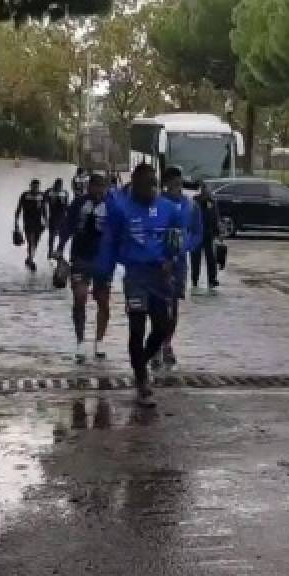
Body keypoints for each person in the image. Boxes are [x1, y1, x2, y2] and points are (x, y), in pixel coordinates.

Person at [95, 163, 196, 407]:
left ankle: (140, 362)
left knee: (162, 328)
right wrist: (102, 276)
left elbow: (178, 240)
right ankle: (142, 383)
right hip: (136, 277)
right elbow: (109, 244)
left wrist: (172, 259)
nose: (151, 189)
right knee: (137, 328)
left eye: (154, 183)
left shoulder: (169, 209)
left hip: (160, 278)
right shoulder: (121, 208)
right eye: (146, 184)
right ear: (136, 185)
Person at [57, 173, 111, 363]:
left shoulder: (111, 206)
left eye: (101, 187)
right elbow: (66, 226)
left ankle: (100, 340)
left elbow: (119, 230)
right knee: (80, 298)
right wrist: (59, 249)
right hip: (80, 257)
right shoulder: (78, 204)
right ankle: (80, 341)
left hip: (103, 260)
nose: (97, 191)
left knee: (103, 301)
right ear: (89, 187)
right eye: (94, 187)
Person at [152, 166, 200, 370]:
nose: (177, 187)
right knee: (158, 305)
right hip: (158, 262)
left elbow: (197, 232)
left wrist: (185, 247)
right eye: (173, 183)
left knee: (173, 307)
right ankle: (155, 346)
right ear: (166, 184)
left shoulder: (190, 206)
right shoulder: (155, 204)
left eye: (179, 183)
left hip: (179, 263)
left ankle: (167, 344)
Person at [191, 182, 222, 295]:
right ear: (201, 190)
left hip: (208, 234)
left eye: (207, 189)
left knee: (211, 258)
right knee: (195, 259)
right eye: (204, 189)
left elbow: (215, 217)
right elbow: (191, 216)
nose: (206, 191)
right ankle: (194, 279)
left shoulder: (212, 202)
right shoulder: (195, 201)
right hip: (196, 235)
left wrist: (218, 233)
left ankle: (212, 280)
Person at [14, 179, 45, 271]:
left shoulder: (42, 195)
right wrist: (16, 222)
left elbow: (45, 209)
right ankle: (31, 261)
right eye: (34, 186)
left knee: (35, 243)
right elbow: (18, 209)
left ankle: (29, 258)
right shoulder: (25, 195)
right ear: (30, 186)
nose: (35, 188)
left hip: (39, 224)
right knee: (31, 242)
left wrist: (46, 220)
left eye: (37, 187)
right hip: (28, 223)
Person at [43, 178, 71, 260]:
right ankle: (50, 251)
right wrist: (45, 217)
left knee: (62, 235)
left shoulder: (65, 193)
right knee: (52, 235)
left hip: (62, 217)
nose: (59, 187)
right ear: (55, 185)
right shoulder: (49, 192)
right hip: (53, 217)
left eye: (60, 186)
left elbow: (66, 205)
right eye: (57, 185)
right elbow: (44, 205)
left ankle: (59, 251)